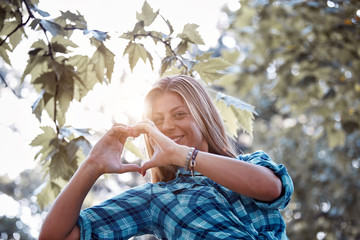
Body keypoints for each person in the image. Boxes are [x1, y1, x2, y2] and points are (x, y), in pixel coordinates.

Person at [39, 75, 294, 240]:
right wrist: (91, 166)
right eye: (157, 121)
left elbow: (272, 189)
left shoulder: (251, 164)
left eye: (180, 114)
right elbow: (55, 238)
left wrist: (184, 155)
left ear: (203, 116)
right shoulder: (156, 198)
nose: (168, 126)